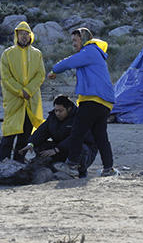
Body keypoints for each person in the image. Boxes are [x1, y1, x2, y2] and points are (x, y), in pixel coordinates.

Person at [47, 27, 117, 177]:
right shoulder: (95, 54)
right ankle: (108, 168)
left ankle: (71, 164)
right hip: (104, 103)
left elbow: (70, 62)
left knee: (77, 131)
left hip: (92, 100)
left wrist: (54, 70)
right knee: (100, 136)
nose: (73, 44)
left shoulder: (90, 51)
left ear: (84, 38)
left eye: (75, 40)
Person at [0, 21, 45, 162]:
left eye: (26, 34)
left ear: (31, 36)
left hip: (31, 101)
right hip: (14, 101)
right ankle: (3, 164)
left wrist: (28, 90)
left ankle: (18, 163)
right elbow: (6, 77)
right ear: (16, 36)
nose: (24, 37)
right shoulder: (7, 54)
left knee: (24, 136)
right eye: (21, 34)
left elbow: (40, 75)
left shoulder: (37, 54)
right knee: (8, 135)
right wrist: (20, 91)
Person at [30, 95, 98, 176]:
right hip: (60, 148)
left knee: (80, 147)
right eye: (56, 110)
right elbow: (42, 131)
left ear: (69, 109)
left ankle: (79, 171)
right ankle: (51, 166)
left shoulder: (80, 117)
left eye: (60, 111)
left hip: (83, 151)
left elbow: (76, 137)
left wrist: (57, 149)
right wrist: (31, 143)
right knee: (39, 145)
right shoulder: (53, 117)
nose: (57, 113)